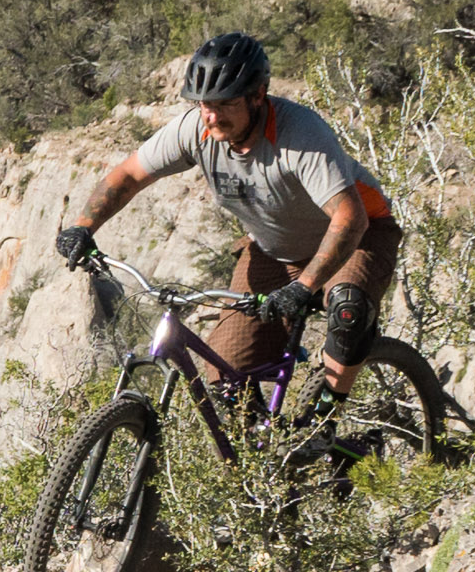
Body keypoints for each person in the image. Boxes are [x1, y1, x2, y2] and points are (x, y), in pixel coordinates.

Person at [54, 31, 403, 394]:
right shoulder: (197, 129)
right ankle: (260, 445)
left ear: (257, 96)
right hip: (275, 250)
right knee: (226, 378)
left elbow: (350, 218)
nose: (211, 115)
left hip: (359, 237)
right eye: (203, 103)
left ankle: (324, 420)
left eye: (224, 104)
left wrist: (304, 287)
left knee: (348, 310)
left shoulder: (300, 134)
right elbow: (128, 175)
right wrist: (83, 227)